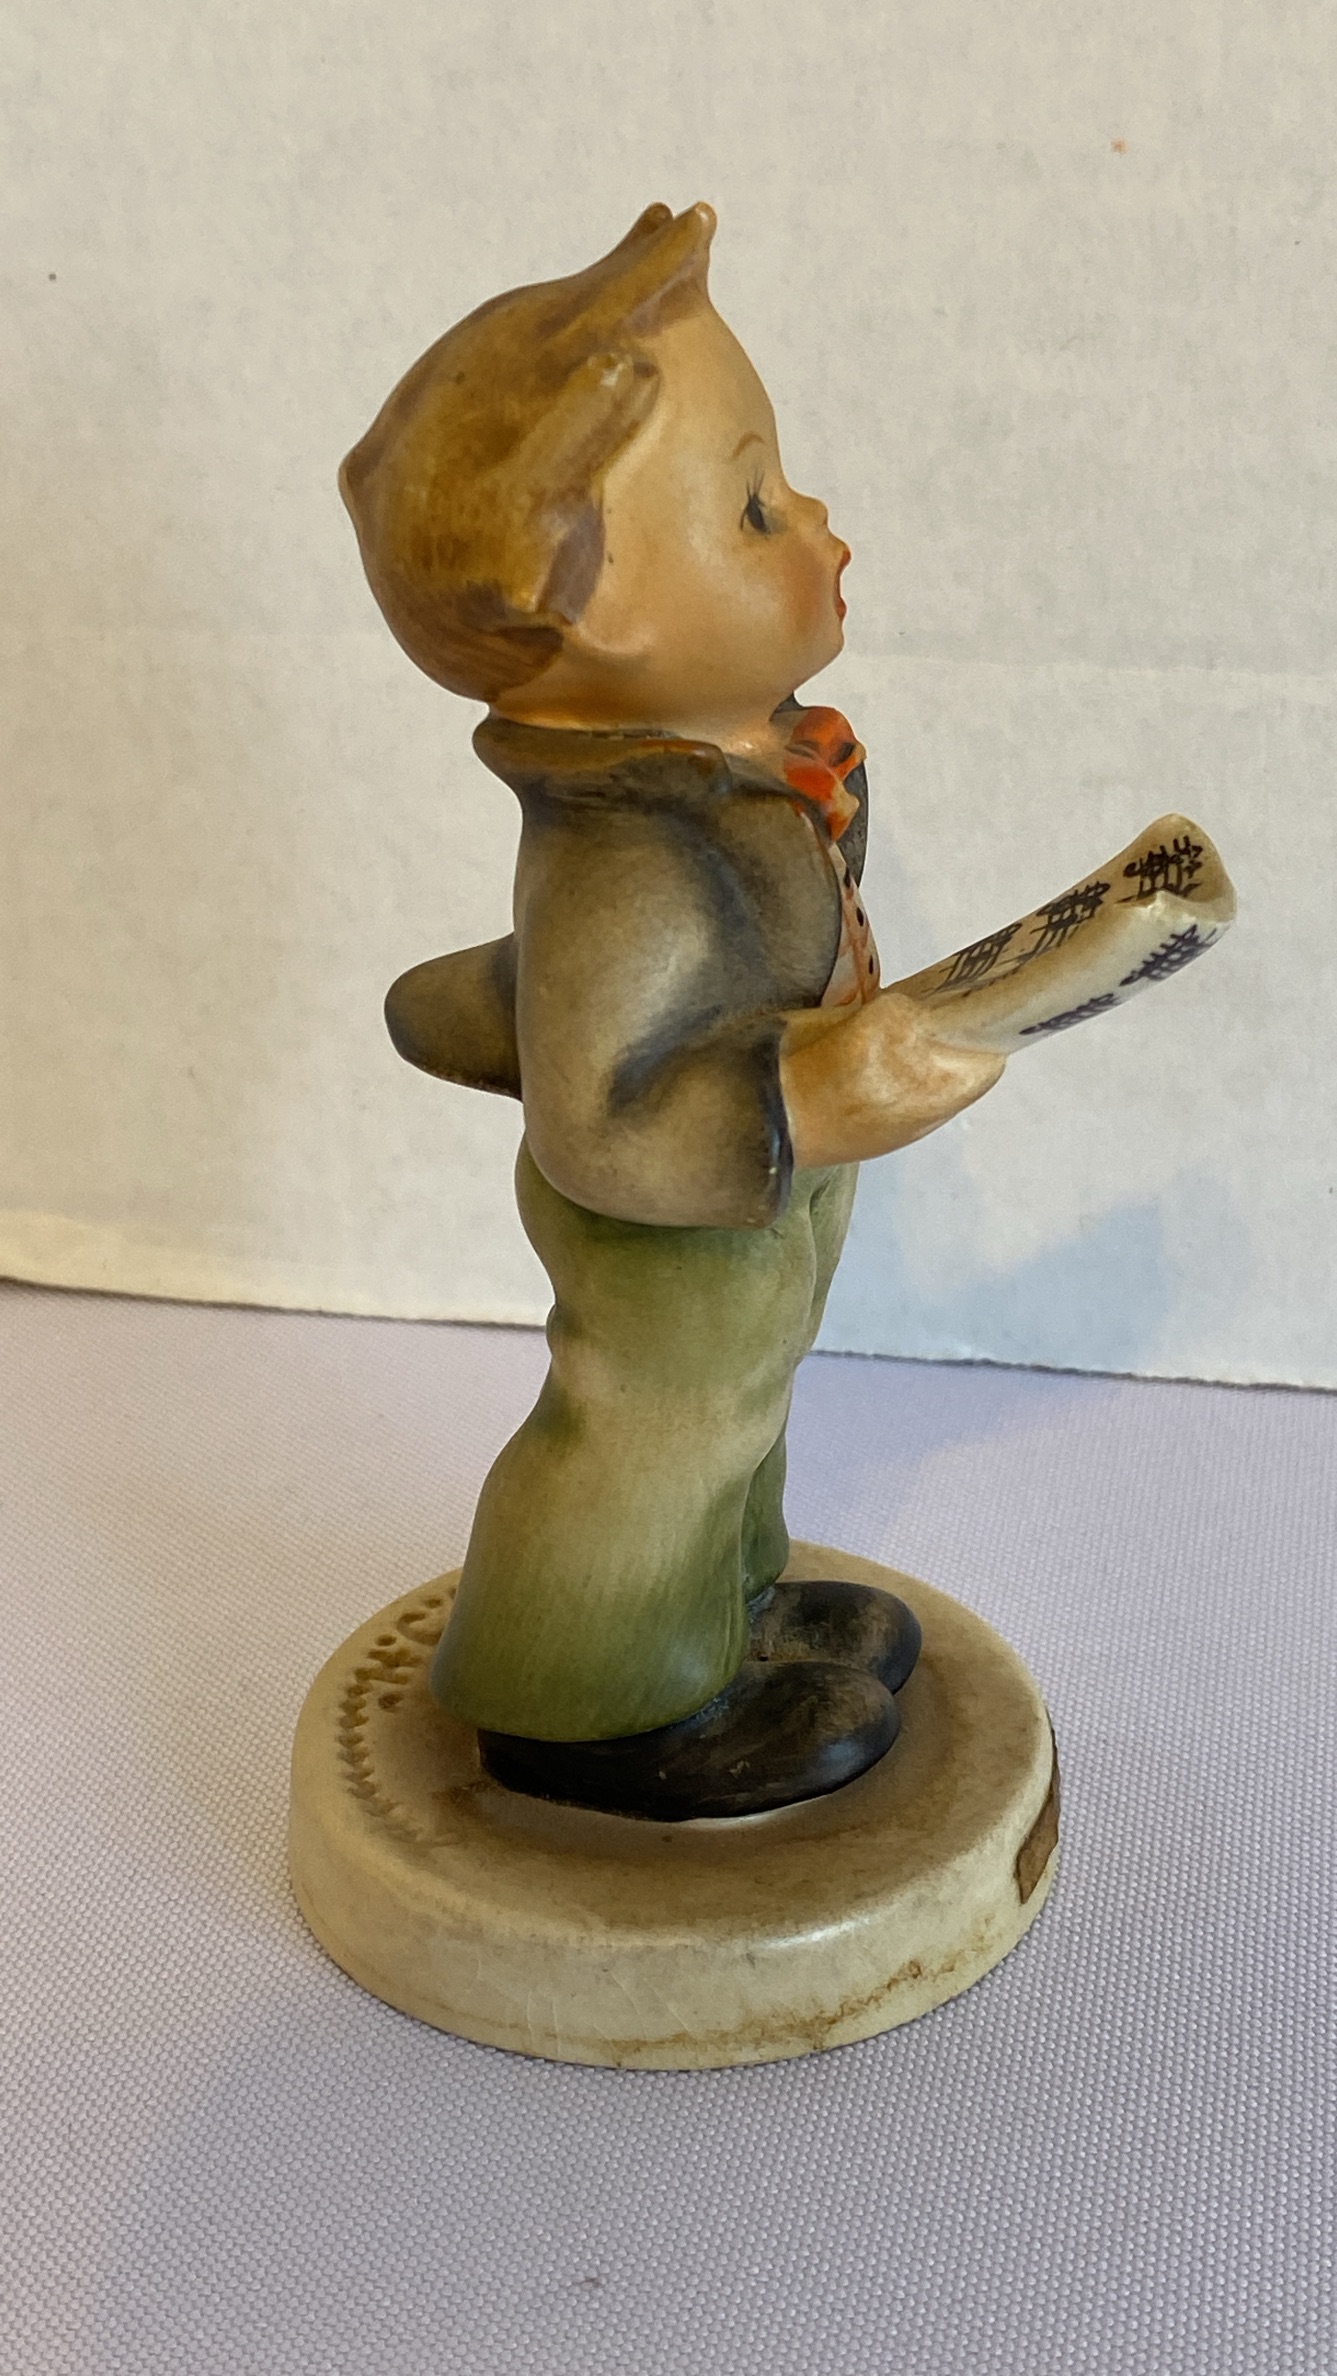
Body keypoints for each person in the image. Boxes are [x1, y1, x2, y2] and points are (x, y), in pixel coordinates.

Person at [339, 202, 1004, 1818]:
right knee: (653, 1427)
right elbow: (604, 1115)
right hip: (674, 1218)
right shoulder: (624, 858)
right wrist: (817, 1098)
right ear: (601, 617)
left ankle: (722, 1610)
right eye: (755, 506)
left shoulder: (719, 771)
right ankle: (588, 1695)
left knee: (735, 1411)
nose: (817, 518)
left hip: (757, 1199)